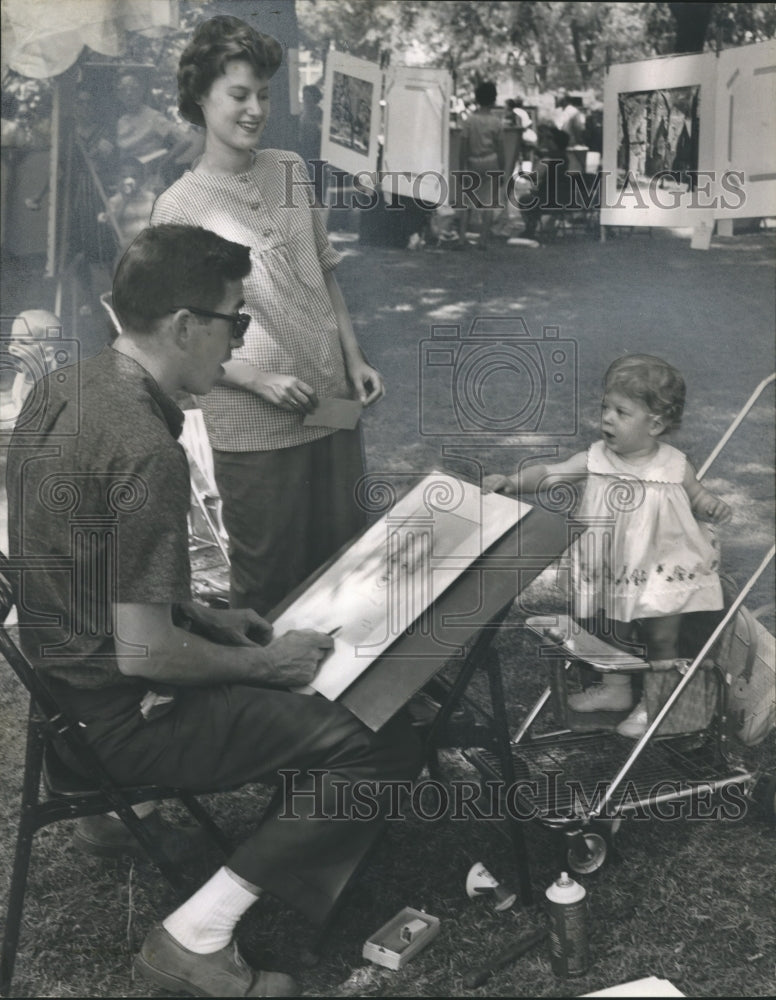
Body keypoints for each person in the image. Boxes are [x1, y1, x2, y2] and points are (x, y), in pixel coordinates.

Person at [6, 224, 422, 998]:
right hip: (116, 719)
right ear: (184, 325)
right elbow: (144, 657)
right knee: (380, 742)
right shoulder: (143, 445)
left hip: (63, 703)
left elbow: (86, 561)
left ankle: (97, 817)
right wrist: (266, 662)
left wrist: (201, 613)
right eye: (237, 318)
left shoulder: (68, 384)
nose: (242, 339)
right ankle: (194, 938)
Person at [151, 15, 384, 617]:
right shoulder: (179, 206)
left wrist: (353, 357)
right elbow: (171, 335)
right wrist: (257, 379)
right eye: (238, 95)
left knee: (346, 567)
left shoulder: (288, 171)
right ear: (200, 97)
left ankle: (339, 705)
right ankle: (263, 705)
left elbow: (325, 273)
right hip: (253, 426)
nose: (255, 109)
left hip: (332, 404)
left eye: (263, 95)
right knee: (270, 581)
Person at [483, 354, 732, 738]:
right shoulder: (596, 458)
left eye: (621, 411)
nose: (608, 418)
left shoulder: (675, 465)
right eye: (605, 407)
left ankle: (655, 703)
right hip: (611, 565)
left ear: (656, 423)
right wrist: (513, 482)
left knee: (660, 636)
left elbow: (696, 496)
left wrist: (709, 505)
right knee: (606, 627)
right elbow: (551, 474)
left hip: (663, 569)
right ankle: (615, 689)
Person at [455, 80, 505, 251]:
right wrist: (503, 171)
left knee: (467, 202)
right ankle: (483, 240)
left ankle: (462, 238)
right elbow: (501, 150)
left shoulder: (469, 121)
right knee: (488, 203)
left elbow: (463, 147)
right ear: (493, 99)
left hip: (473, 162)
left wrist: (461, 169)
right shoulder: (496, 122)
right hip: (491, 161)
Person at [298, 83, 325, 203]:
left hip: (315, 151)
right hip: (303, 150)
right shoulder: (301, 114)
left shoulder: (319, 113)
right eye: (304, 97)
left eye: (308, 97)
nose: (305, 100)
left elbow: (321, 131)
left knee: (316, 178)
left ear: (314, 98)